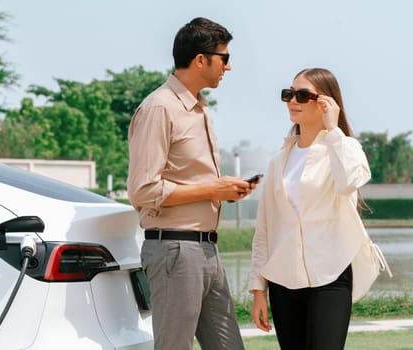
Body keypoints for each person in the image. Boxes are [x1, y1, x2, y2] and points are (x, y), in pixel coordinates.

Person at [127, 17, 257, 350]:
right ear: (201, 59)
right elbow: (143, 191)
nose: (228, 67)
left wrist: (224, 192)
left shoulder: (199, 109)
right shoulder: (160, 108)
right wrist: (213, 190)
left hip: (206, 249)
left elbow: (189, 181)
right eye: (224, 58)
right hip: (175, 250)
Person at [248, 68, 372, 350]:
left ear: (326, 103)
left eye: (303, 95)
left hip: (330, 277)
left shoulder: (345, 148)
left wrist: (334, 130)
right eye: (289, 94)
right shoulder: (278, 161)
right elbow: (265, 228)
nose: (293, 100)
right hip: (282, 281)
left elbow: (351, 181)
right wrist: (258, 290)